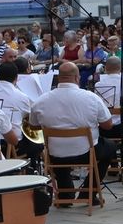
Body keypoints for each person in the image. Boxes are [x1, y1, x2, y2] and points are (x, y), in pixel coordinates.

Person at [28, 61, 115, 201]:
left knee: (58, 148)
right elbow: (108, 125)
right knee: (110, 148)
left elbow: (33, 126)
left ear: (58, 77)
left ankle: (65, 193)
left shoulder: (41, 101)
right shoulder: (91, 98)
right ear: (77, 78)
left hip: (55, 154)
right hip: (86, 153)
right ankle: (88, 192)